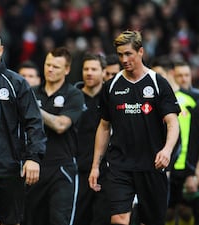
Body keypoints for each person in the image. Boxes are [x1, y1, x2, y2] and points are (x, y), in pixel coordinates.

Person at [88, 30, 181, 225]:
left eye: (128, 53)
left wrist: (166, 150)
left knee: (151, 221)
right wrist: (96, 165)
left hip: (152, 165)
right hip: (119, 165)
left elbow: (173, 123)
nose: (124, 59)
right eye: (120, 54)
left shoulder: (158, 83)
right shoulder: (111, 86)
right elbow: (104, 127)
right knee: (119, 219)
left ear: (141, 52)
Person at [0, 31, 46, 225]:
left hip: (7, 167)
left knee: (9, 220)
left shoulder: (17, 83)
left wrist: (33, 157)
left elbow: (33, 122)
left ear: (1, 50)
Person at [24, 46, 85, 225]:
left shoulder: (74, 95)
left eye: (56, 67)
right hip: (34, 166)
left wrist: (33, 108)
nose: (50, 69)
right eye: (48, 64)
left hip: (62, 168)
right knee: (31, 219)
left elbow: (60, 125)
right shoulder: (32, 92)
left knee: (59, 220)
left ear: (66, 70)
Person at [74, 53, 110, 225]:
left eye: (94, 69)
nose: (89, 73)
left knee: (102, 219)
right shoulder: (73, 97)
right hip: (78, 170)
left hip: (106, 171)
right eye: (86, 69)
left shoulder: (111, 97)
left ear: (104, 72)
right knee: (79, 218)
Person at [165, 60, 199, 225]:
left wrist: (194, 170)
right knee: (168, 211)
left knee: (187, 211)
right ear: (173, 76)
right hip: (169, 163)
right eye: (180, 75)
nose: (184, 79)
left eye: (187, 75)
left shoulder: (196, 99)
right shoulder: (167, 100)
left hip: (189, 165)